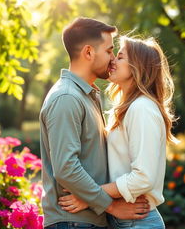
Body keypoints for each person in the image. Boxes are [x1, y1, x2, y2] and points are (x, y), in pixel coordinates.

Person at [39, 18, 150, 229]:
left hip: (87, 220)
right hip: (72, 222)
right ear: (89, 52)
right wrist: (111, 206)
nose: (112, 59)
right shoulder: (67, 98)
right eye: (109, 51)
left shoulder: (88, 96)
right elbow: (66, 168)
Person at [58, 35, 179, 228]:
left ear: (137, 66)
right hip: (125, 218)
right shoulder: (127, 108)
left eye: (120, 57)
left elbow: (143, 178)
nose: (112, 60)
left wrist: (90, 196)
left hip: (137, 220)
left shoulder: (142, 108)